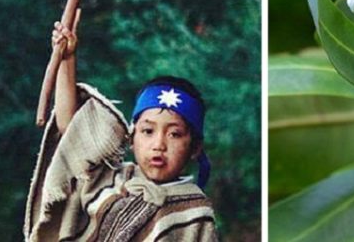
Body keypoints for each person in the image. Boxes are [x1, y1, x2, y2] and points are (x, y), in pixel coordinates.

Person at [24, 12, 219, 241]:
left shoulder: (195, 215)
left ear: (195, 147)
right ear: (132, 136)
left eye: (174, 134)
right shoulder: (111, 179)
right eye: (148, 131)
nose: (159, 145)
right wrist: (67, 59)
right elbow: (71, 133)